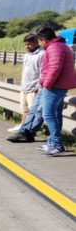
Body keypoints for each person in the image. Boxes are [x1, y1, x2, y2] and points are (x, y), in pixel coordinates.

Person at [35, 26, 76, 156]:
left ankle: (56, 144)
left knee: (48, 114)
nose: (40, 45)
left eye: (39, 42)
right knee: (56, 114)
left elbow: (54, 68)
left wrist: (46, 84)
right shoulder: (60, 45)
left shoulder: (54, 48)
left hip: (54, 86)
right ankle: (52, 141)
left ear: (44, 40)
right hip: (59, 85)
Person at [7, 34, 45, 132]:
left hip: (34, 88)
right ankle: (23, 127)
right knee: (24, 110)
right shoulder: (27, 54)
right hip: (24, 87)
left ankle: (30, 131)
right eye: (25, 44)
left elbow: (43, 72)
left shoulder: (42, 54)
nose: (27, 46)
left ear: (36, 42)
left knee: (34, 111)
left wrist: (38, 87)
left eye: (29, 44)